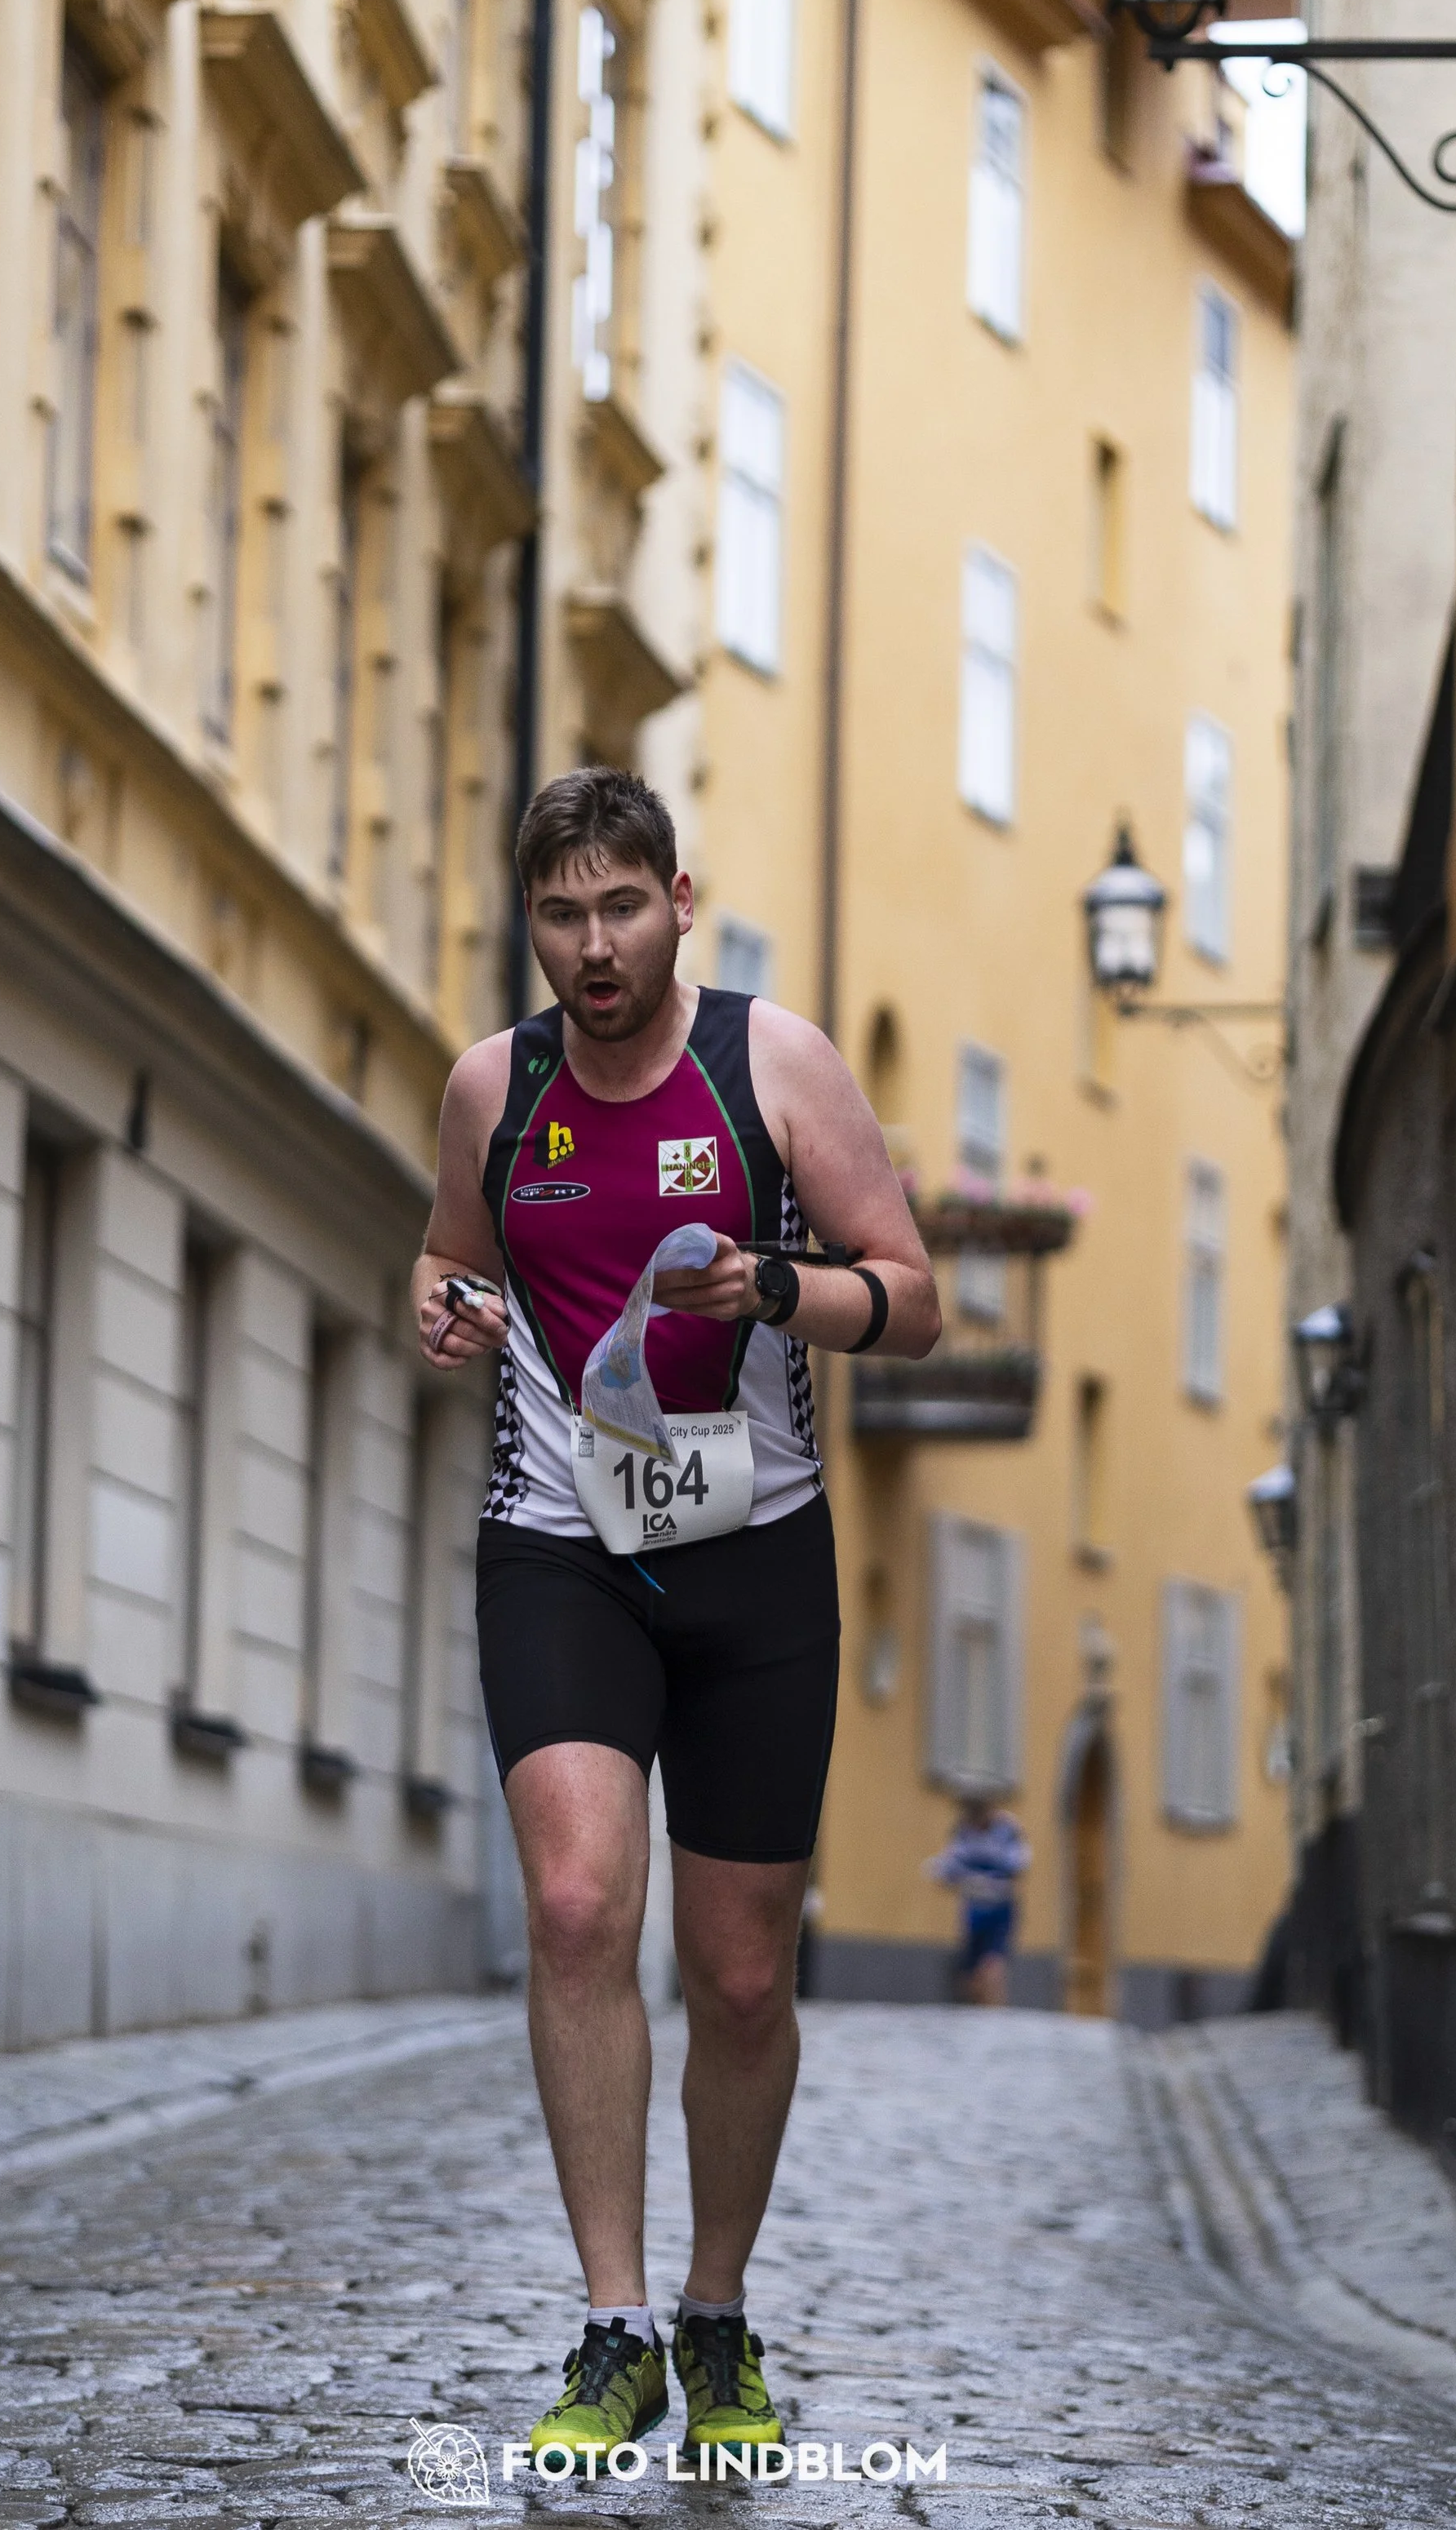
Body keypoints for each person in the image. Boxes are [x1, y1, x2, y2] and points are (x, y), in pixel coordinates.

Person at [414, 766, 939, 2471]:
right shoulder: (491, 1086)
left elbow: (911, 1297)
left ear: (678, 898)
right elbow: (444, 1260)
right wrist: (441, 1308)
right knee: (574, 1902)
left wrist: (774, 1284)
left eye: (619, 907)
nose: (591, 946)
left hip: (752, 1551)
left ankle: (716, 2312)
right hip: (559, 1537)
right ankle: (613, 2321)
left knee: (732, 1970)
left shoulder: (767, 1066)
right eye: (559, 914)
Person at [927, 1795, 1031, 2007]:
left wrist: (988, 1880)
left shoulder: (1007, 1830)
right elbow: (951, 1865)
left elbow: (1018, 1865)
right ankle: (976, 2009)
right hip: (974, 1907)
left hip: (1000, 1905)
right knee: (970, 1971)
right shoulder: (965, 1831)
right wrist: (942, 1872)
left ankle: (994, 2011)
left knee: (993, 1963)